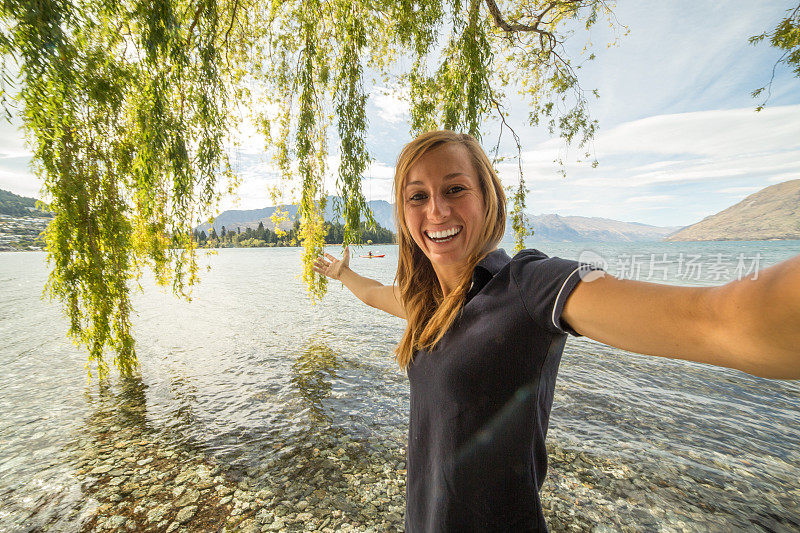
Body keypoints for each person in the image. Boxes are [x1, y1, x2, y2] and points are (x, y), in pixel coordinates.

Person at [312, 130, 800, 532]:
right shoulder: (428, 305)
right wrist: (342, 275)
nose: (436, 211)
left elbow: (715, 320)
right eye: (417, 196)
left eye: (455, 189)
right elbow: (379, 294)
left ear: (487, 197)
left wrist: (752, 318)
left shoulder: (529, 285)